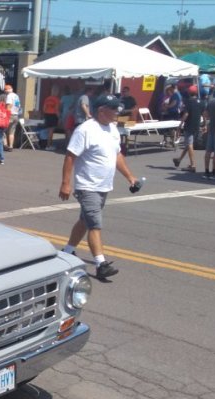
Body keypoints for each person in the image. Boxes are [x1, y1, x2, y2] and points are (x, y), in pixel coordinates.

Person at [58, 94, 139, 281]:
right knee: (95, 223)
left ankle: (68, 251)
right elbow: (70, 156)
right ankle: (101, 264)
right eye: (114, 108)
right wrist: (65, 183)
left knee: (85, 220)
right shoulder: (85, 130)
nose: (118, 111)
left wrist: (130, 177)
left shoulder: (112, 129)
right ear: (102, 110)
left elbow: (117, 156)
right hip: (87, 186)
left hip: (103, 186)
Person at [172, 85, 204, 172]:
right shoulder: (201, 102)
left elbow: (186, 114)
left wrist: (180, 125)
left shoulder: (189, 102)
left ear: (189, 93)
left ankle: (192, 165)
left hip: (189, 125)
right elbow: (204, 113)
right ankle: (179, 160)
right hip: (196, 125)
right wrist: (204, 124)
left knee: (189, 145)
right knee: (188, 144)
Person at [2, 84, 21, 152]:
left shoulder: (9, 96)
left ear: (6, 91)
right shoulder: (16, 96)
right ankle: (11, 146)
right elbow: (18, 106)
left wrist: (5, 114)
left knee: (2, 131)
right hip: (16, 115)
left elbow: (9, 106)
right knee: (11, 132)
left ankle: (5, 145)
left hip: (10, 115)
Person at [41, 85, 61, 151]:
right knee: (51, 131)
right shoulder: (56, 99)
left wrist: (46, 114)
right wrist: (59, 118)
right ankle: (49, 145)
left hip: (47, 115)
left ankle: (48, 144)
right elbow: (56, 109)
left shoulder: (47, 98)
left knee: (48, 131)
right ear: (56, 92)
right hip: (53, 115)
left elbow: (44, 108)